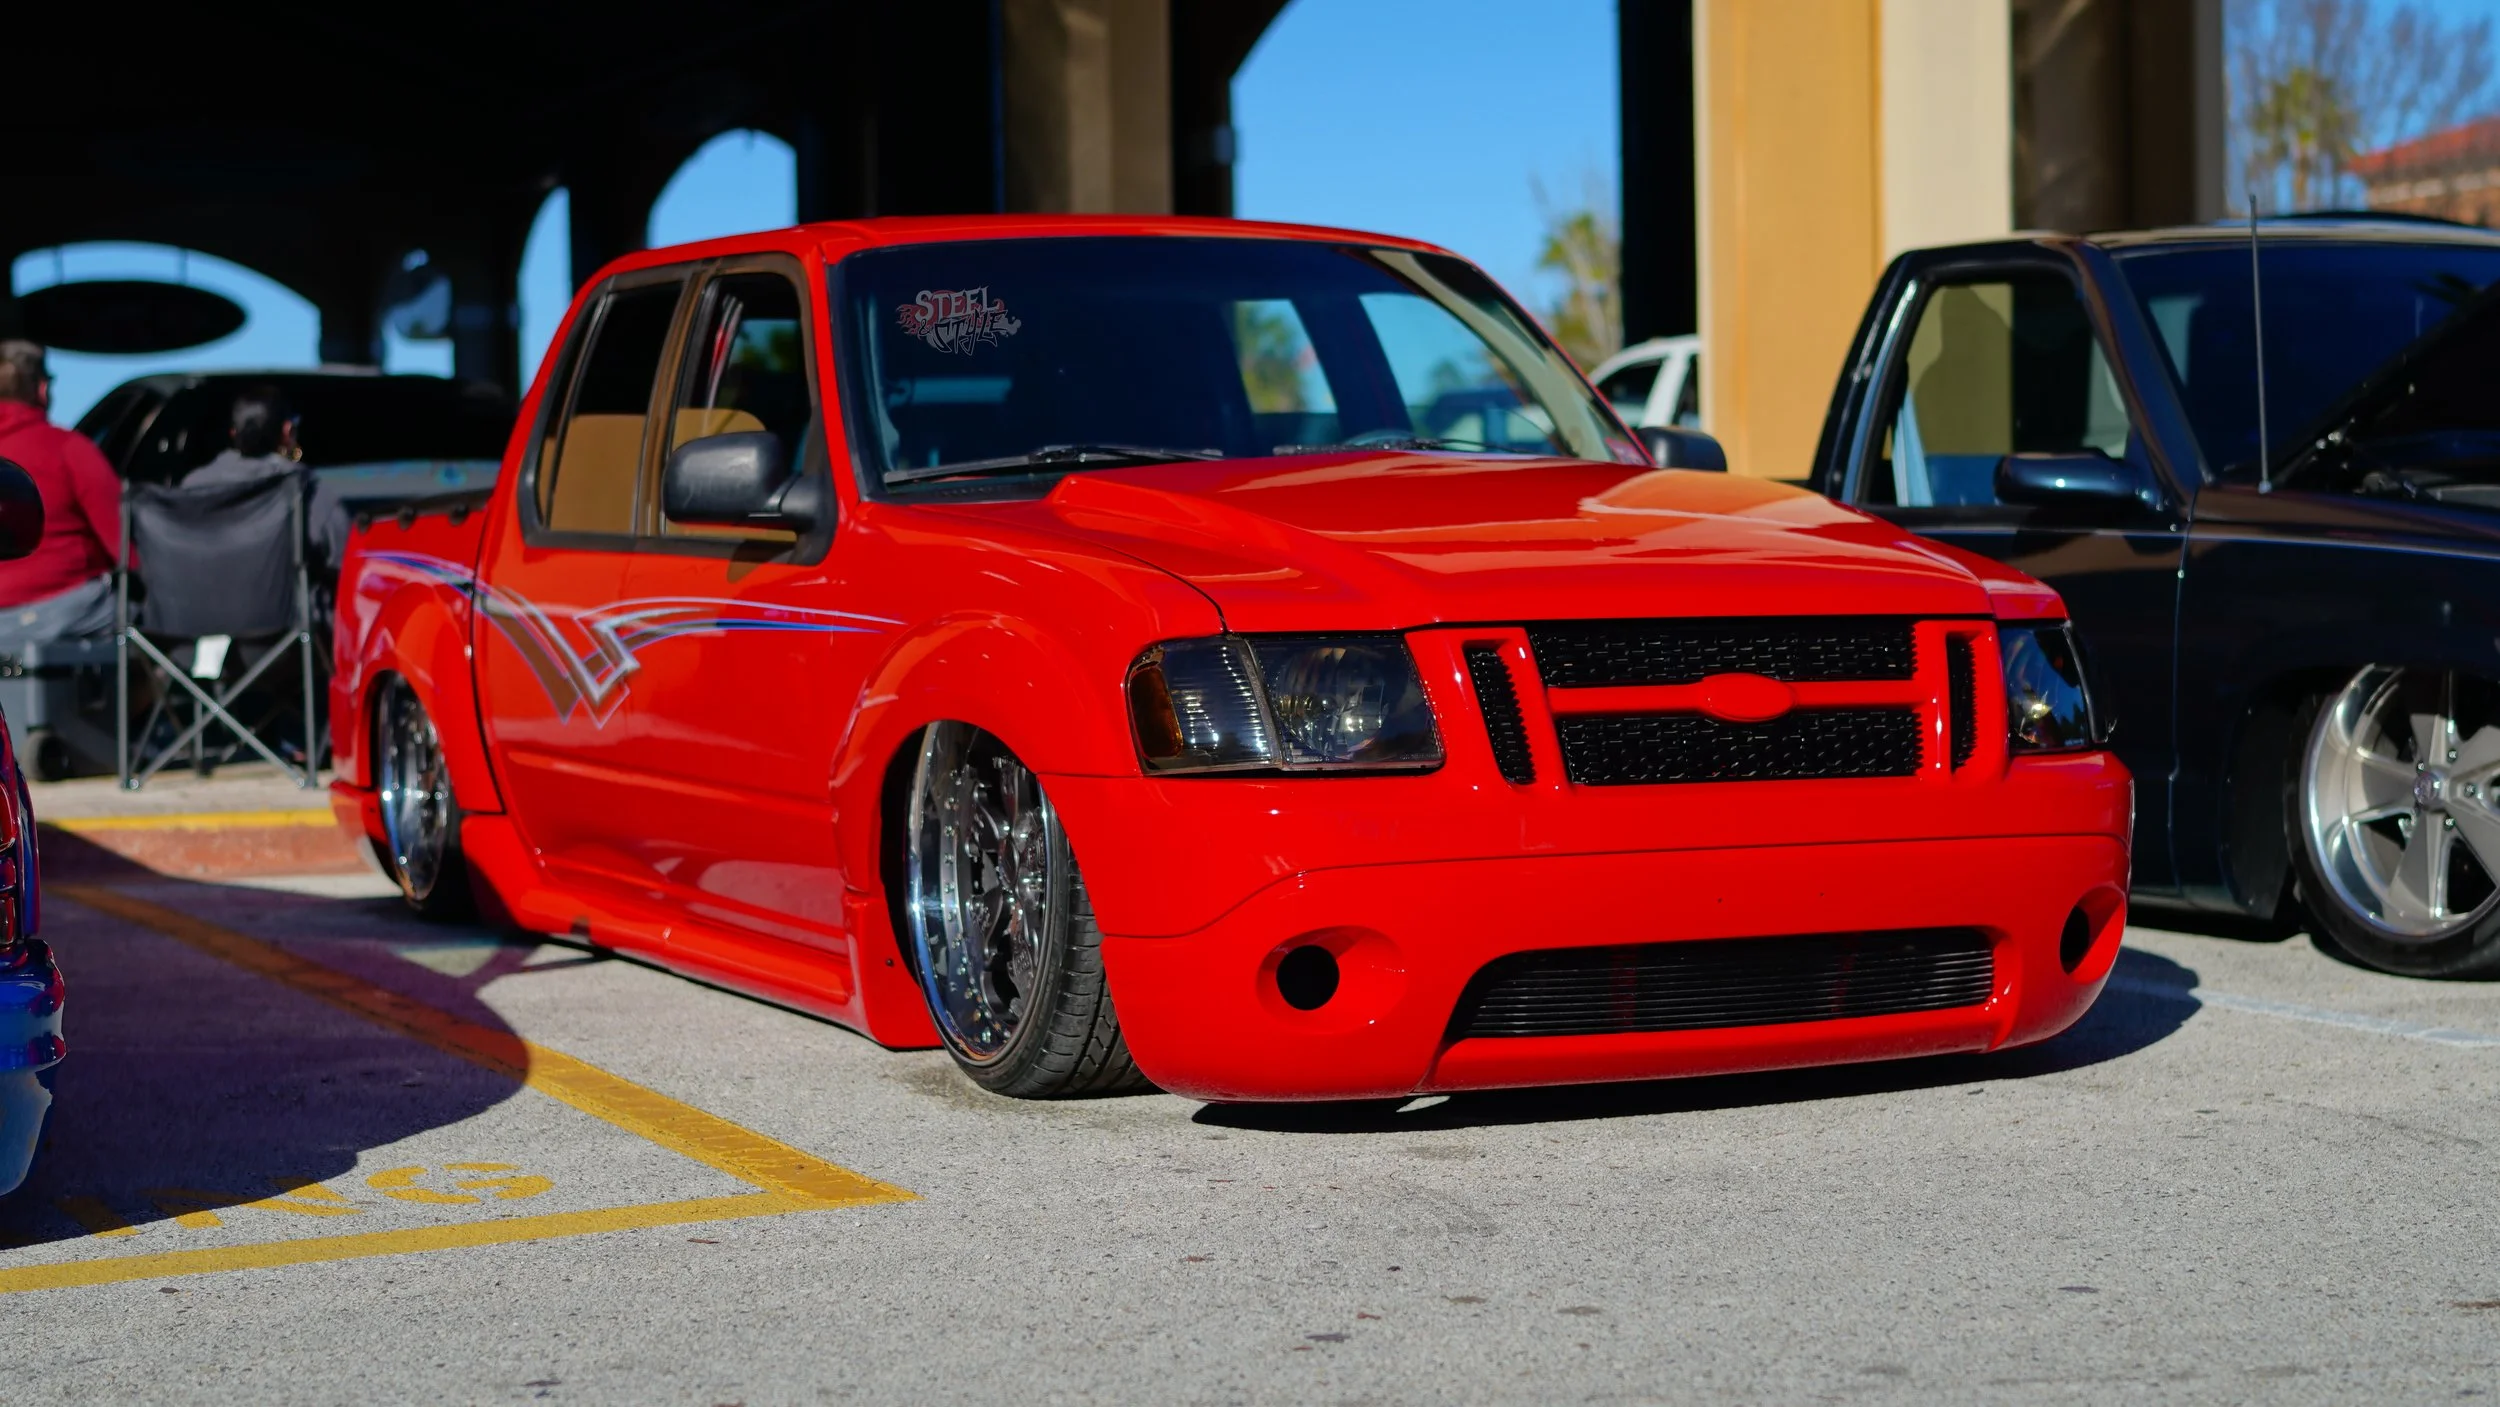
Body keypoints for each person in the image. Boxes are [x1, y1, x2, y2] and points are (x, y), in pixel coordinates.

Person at [0, 340, 124, 653]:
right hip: (60, 611)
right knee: (145, 621)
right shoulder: (69, 450)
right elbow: (122, 546)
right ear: (41, 389)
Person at [181, 387, 349, 576]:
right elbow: (345, 567)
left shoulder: (191, 489)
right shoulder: (310, 492)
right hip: (286, 606)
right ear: (287, 432)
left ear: (233, 433)